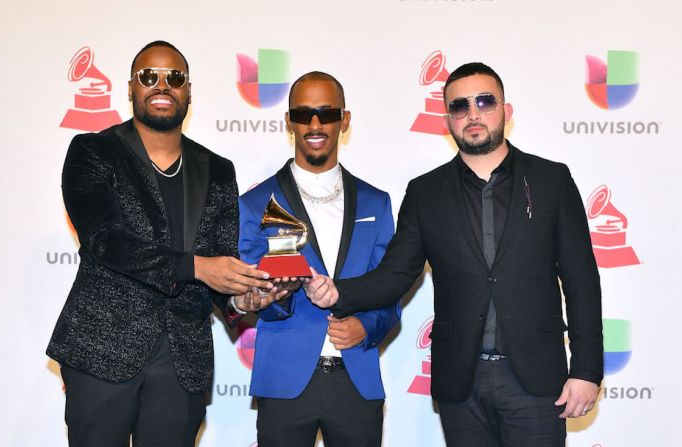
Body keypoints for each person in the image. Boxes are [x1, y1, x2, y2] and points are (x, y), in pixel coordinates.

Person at [306, 62, 603, 447]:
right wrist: (339, 293)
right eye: (460, 106)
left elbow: (582, 280)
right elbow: (396, 274)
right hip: (461, 382)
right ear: (448, 119)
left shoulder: (551, 180)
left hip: (536, 378)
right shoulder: (426, 192)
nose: (473, 113)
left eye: (485, 101)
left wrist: (586, 370)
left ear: (506, 111)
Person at [46, 40, 279, 447]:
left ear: (188, 91)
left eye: (174, 78)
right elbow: (106, 241)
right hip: (102, 346)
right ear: (131, 89)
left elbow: (221, 260)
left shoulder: (219, 171)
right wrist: (198, 268)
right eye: (148, 77)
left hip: (182, 357)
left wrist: (240, 301)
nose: (161, 85)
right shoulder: (93, 151)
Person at [238, 71, 401, 447]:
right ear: (289, 122)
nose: (315, 124)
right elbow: (254, 296)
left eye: (327, 113)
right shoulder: (254, 204)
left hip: (356, 380)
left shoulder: (377, 204)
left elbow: (390, 289)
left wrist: (366, 326)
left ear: (344, 121)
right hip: (284, 381)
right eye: (304, 113)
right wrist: (275, 294)